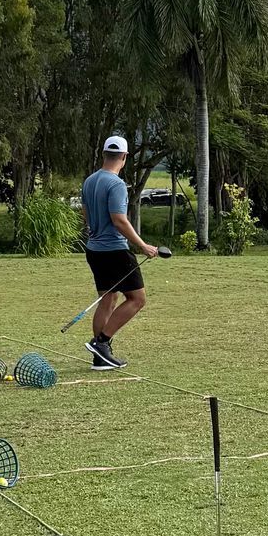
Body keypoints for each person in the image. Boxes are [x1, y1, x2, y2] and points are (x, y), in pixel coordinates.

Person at [79, 134, 170, 371]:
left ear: (104, 154)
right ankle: (102, 342)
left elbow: (85, 212)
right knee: (137, 299)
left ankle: (100, 359)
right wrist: (142, 245)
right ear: (124, 157)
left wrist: (93, 231)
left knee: (108, 299)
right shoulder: (116, 184)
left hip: (94, 249)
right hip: (115, 251)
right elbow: (119, 220)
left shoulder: (89, 181)